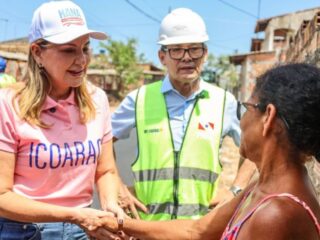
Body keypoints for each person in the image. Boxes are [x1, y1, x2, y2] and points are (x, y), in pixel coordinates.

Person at [90, 63, 320, 240]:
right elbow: (197, 230)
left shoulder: (277, 213)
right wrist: (115, 224)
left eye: (247, 107)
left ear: (267, 117)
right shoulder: (265, 185)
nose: (241, 120)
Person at [112, 7, 256, 221]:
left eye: (194, 49)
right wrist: (117, 187)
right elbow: (101, 142)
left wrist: (236, 191)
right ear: (162, 57)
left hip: (203, 228)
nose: (187, 58)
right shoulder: (139, 100)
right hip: (150, 229)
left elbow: (260, 145)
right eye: (177, 50)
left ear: (205, 54)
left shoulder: (224, 102)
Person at [0, 1, 124, 239]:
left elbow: (106, 170)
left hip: (83, 228)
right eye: (68, 50)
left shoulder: (97, 100)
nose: (81, 60)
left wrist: (110, 206)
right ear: (37, 53)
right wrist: (73, 215)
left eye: (85, 48)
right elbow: (2, 197)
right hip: (24, 230)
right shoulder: (8, 104)